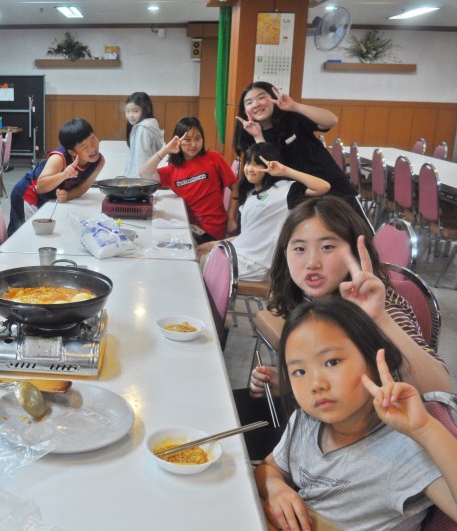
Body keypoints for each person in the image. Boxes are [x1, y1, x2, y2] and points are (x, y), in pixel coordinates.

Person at [236, 195, 452, 460]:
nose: (312, 262)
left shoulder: (380, 303)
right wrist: (289, 383)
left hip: (375, 444)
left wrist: (379, 316)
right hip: (318, 422)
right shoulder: (310, 297)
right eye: (299, 249)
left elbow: (441, 389)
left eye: (327, 247)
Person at [255, 298, 457, 531]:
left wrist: (426, 430)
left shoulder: (404, 450)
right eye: (299, 371)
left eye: (332, 362)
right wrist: (276, 488)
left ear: (373, 360)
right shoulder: (305, 421)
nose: (316, 384)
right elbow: (268, 468)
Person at [195, 142, 330, 281]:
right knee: (198, 252)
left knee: (196, 267)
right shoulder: (249, 194)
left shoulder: (284, 190)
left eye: (257, 164)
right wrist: (215, 243)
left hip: (257, 263)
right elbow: (249, 235)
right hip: (241, 254)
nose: (250, 169)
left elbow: (323, 187)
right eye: (248, 163)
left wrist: (286, 171)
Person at [232, 81, 364, 218]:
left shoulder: (291, 118)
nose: (256, 104)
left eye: (261, 98)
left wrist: (295, 106)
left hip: (335, 190)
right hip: (300, 201)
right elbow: (273, 170)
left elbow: (331, 120)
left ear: (272, 99)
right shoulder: (250, 138)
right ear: (244, 110)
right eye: (249, 102)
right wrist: (258, 136)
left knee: (359, 236)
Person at [140, 116, 237, 244]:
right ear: (178, 141)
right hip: (188, 227)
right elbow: (144, 173)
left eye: (198, 138)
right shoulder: (172, 170)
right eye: (187, 139)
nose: (194, 144)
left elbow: (235, 187)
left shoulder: (214, 158)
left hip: (212, 230)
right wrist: (165, 150)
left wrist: (231, 218)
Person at [8, 118, 105, 235]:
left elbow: (82, 188)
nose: (92, 148)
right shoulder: (60, 158)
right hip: (28, 195)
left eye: (93, 140)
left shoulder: (99, 162)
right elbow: (40, 186)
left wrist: (68, 195)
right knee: (24, 236)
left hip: (48, 199)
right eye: (84, 147)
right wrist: (64, 174)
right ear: (72, 152)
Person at [122, 92, 163, 181]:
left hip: (141, 181)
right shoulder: (149, 125)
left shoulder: (142, 129)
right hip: (147, 178)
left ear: (146, 110)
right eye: (127, 111)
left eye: (135, 111)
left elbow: (142, 158)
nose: (130, 115)